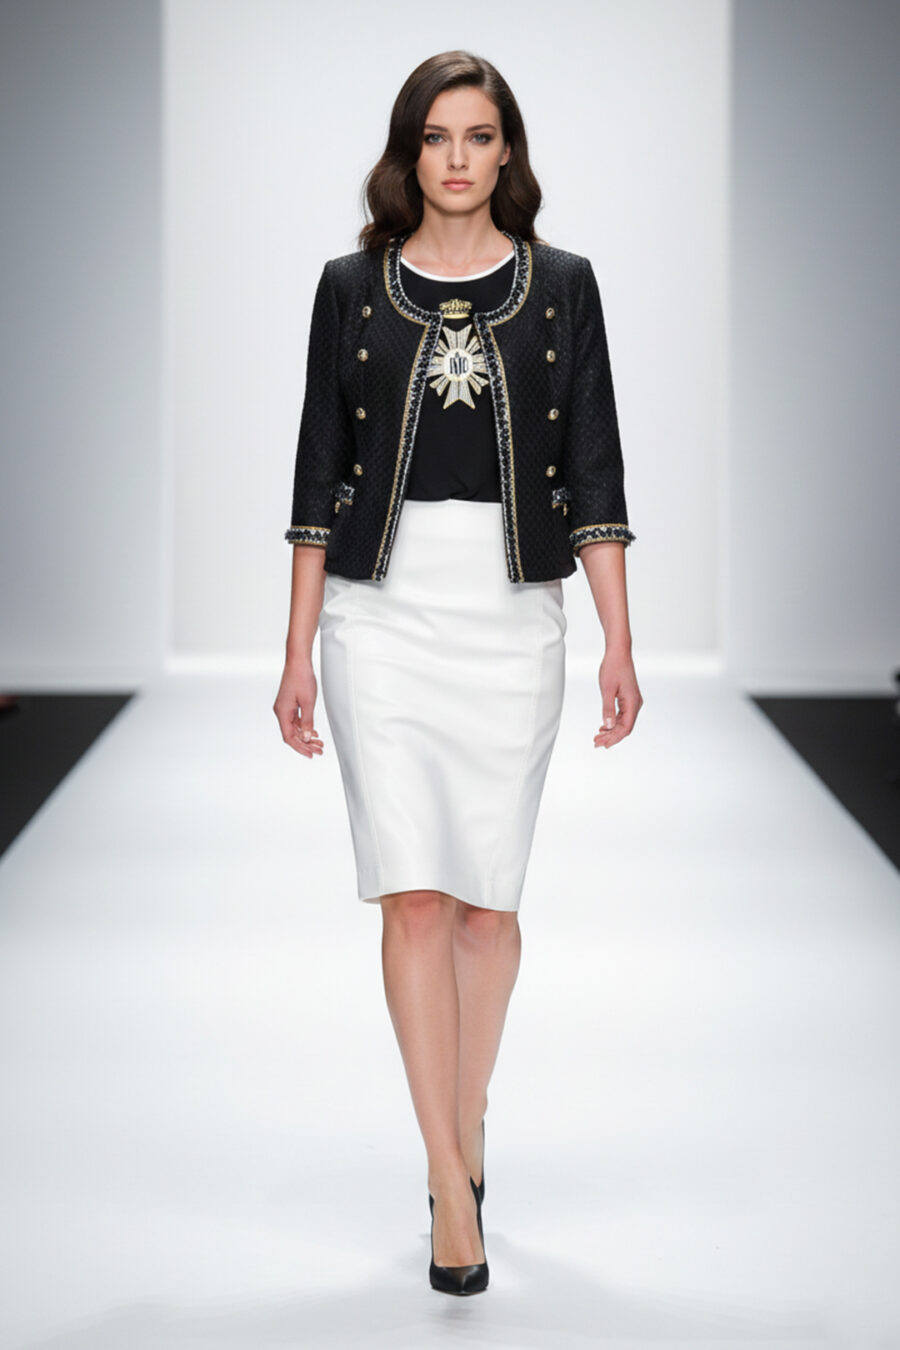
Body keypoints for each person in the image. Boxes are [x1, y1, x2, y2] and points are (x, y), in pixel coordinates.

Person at [273, 50, 642, 1296]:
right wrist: (297, 652)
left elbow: (595, 469)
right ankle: (447, 1177)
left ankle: (466, 1114)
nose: (458, 159)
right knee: (414, 899)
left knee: (488, 907)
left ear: (507, 152)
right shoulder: (349, 290)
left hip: (511, 606)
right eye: (437, 137)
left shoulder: (564, 287)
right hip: (378, 613)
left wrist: (619, 641)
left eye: (479, 136)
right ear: (408, 153)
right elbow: (317, 472)